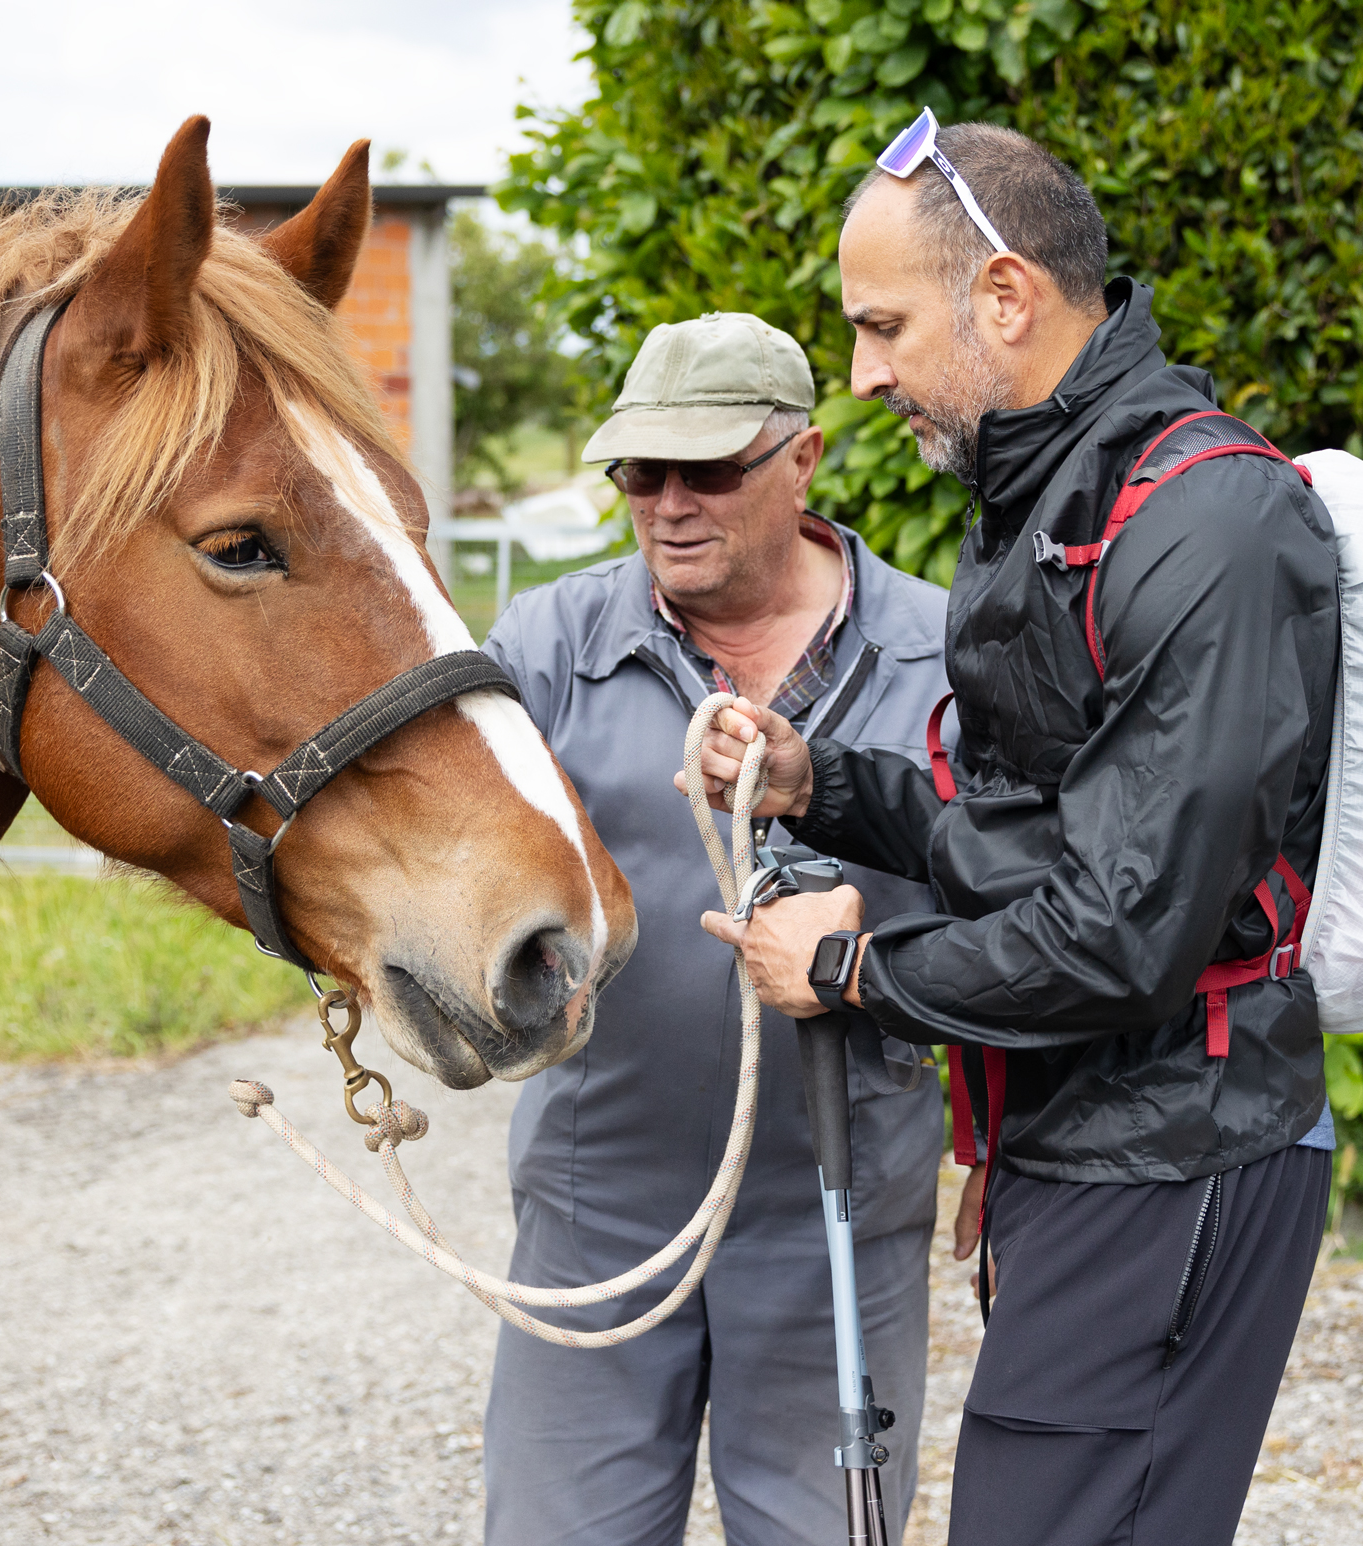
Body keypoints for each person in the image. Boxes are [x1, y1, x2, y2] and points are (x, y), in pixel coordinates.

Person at [689, 122, 1341, 1546]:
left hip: (1175, 1149)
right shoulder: (1046, 495)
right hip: (1080, 1134)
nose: (861, 371)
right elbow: (1025, 839)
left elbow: (1123, 932)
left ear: (1003, 296)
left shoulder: (1208, 523)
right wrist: (820, 783)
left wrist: (849, 970)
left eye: (881, 326)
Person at [478, 311, 952, 1546]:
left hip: (836, 1207)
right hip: (598, 1210)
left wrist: (1004, 1151)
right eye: (640, 473)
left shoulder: (944, 655)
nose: (669, 505)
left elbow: (1024, 904)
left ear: (802, 460)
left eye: (707, 471)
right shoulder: (545, 648)